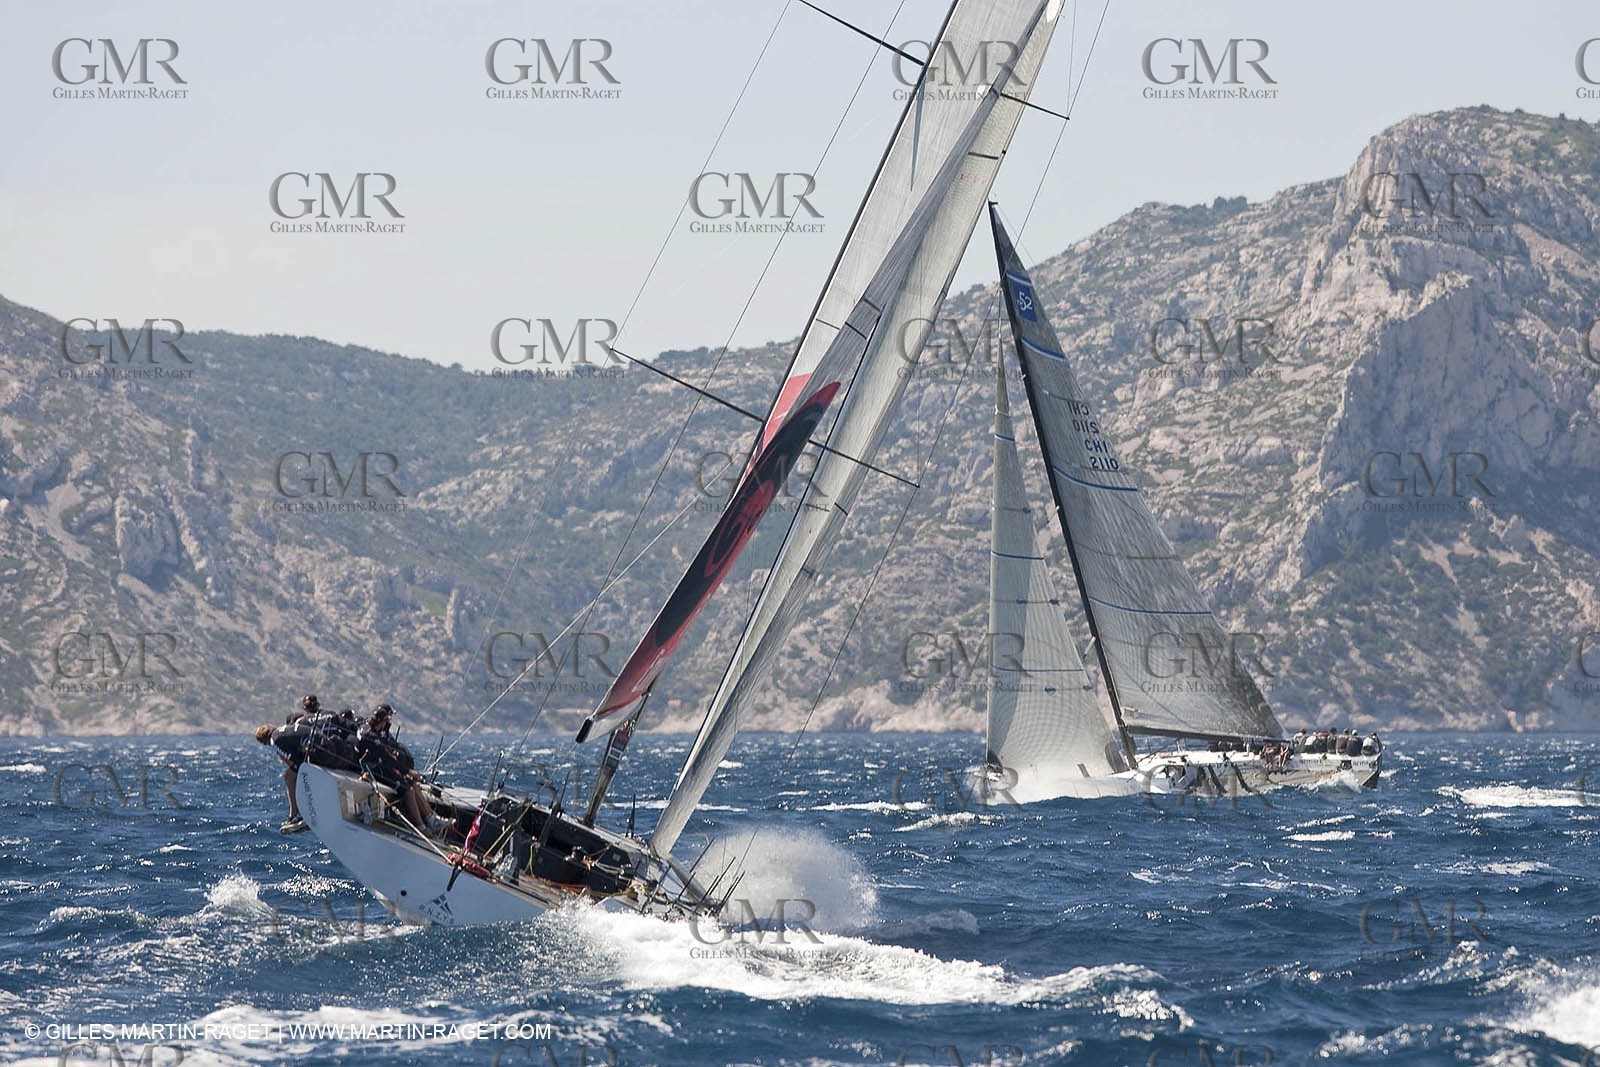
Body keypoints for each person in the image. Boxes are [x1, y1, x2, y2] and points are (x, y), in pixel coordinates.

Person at [357, 704, 446, 835]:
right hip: (373, 769)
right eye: (387, 720)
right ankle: (420, 826)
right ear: (382, 721)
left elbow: (390, 752)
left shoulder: (379, 733)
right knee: (407, 790)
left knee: (413, 785)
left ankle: (431, 819)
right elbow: (385, 756)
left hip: (383, 765)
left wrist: (404, 770)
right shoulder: (370, 736)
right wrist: (408, 771)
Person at [255, 720, 311, 833]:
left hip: (313, 752)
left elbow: (292, 761)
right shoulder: (283, 729)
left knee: (289, 777)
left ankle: (294, 815)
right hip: (319, 744)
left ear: (264, 741)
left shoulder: (274, 740)